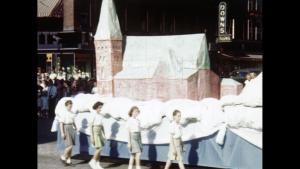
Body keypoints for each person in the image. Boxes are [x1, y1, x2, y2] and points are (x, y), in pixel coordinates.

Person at [59, 100, 77, 166]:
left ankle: (69, 161)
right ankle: (63, 157)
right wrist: (62, 133)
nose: (70, 107)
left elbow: (73, 121)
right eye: (69, 106)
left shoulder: (72, 112)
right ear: (66, 106)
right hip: (66, 127)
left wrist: (76, 127)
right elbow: (61, 123)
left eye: (71, 105)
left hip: (71, 128)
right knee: (70, 145)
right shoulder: (63, 113)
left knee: (71, 146)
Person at [88, 102, 106, 169]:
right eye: (99, 108)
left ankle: (97, 164)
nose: (100, 109)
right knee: (99, 148)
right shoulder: (93, 114)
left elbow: (102, 125)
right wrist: (91, 136)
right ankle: (92, 161)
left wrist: (104, 134)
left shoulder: (101, 115)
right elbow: (90, 126)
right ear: (96, 108)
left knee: (98, 149)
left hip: (99, 131)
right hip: (95, 131)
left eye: (101, 107)